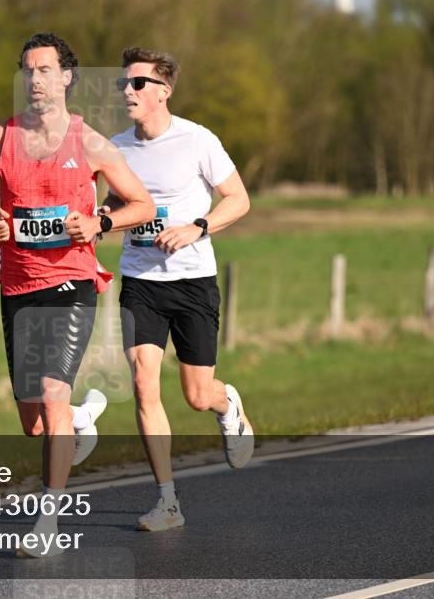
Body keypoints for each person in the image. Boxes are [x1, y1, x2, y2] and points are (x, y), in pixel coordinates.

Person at [0, 33, 155, 556]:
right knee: (35, 423)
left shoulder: (91, 143)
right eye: (28, 70)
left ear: (67, 77)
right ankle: (75, 420)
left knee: (52, 394)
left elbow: (142, 205)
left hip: (71, 281)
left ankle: (46, 525)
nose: (35, 80)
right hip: (17, 282)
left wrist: (98, 221)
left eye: (46, 70)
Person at [101, 46, 253, 532]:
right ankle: (167, 501)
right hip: (141, 281)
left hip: (192, 282)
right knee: (144, 380)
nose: (127, 90)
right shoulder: (115, 147)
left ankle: (227, 403)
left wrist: (198, 227)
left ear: (163, 91)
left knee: (195, 394)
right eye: (125, 83)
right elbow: (109, 206)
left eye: (138, 83)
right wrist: (101, 220)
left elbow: (239, 199)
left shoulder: (197, 140)